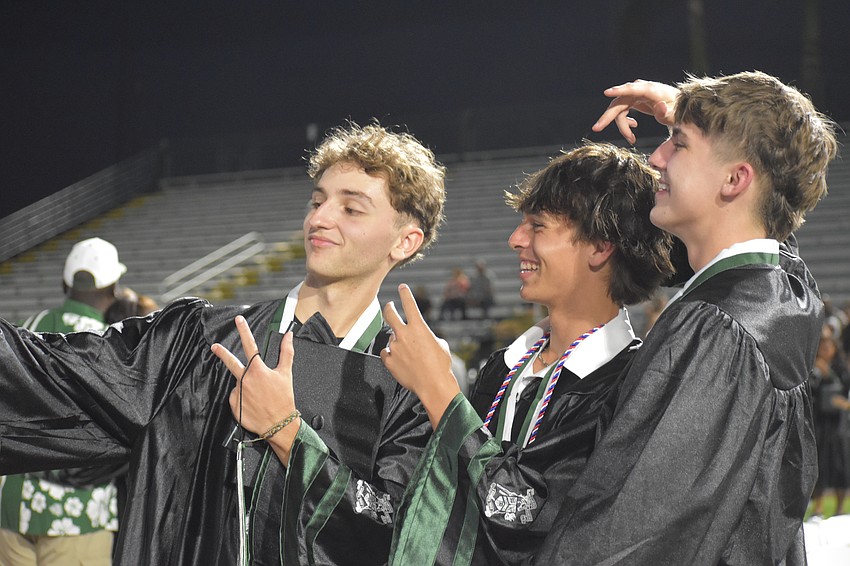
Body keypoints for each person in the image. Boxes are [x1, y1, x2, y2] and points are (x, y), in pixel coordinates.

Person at [0, 123, 446, 565]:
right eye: (317, 200)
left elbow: (405, 535)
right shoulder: (199, 341)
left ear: (405, 241)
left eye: (351, 209)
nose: (319, 218)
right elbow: (42, 377)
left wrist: (287, 433)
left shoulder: (411, 384)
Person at [529, 71, 837, 564]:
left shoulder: (712, 331)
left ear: (736, 179)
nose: (655, 158)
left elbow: (627, 535)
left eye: (678, 145)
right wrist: (689, 116)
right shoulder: (783, 292)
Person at [380, 142, 674, 565]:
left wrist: (437, 391)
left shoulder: (631, 386)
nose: (515, 239)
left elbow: (526, 515)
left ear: (599, 245)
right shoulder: (503, 366)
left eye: (537, 226)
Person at [0, 237, 125, 566]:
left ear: (64, 283)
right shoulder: (110, 341)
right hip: (76, 517)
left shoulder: (30, 325)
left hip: (12, 508)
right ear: (113, 287)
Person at [809, 323, 850, 518]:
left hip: (839, 423)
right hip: (820, 422)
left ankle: (841, 506)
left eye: (828, 346)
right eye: (822, 346)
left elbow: (844, 391)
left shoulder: (840, 368)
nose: (825, 349)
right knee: (820, 464)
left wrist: (828, 373)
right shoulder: (812, 368)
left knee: (840, 463)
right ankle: (818, 506)